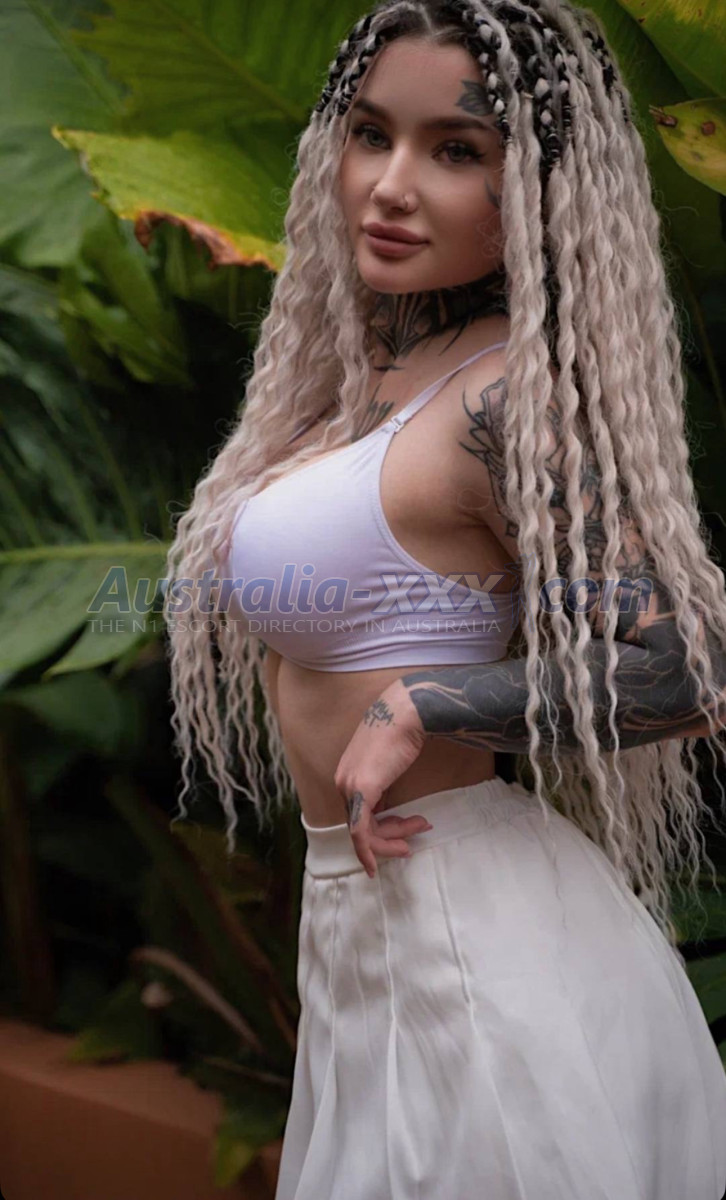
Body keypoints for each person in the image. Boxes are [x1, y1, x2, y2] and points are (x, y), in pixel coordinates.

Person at [163, 1, 726, 1196]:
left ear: (540, 188)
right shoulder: (384, 370)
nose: (391, 184)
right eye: (372, 133)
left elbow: (685, 668)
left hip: (469, 942)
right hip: (369, 927)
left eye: (455, 149)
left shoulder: (511, 402)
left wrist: (424, 703)